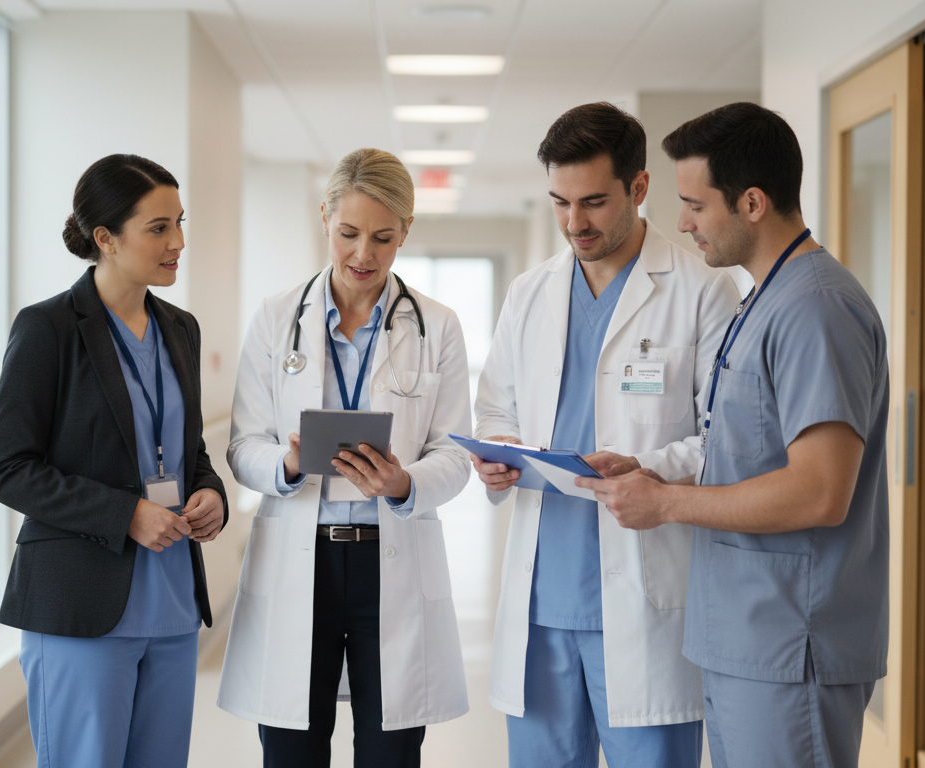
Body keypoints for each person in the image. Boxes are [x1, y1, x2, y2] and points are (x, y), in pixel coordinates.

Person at [576, 102, 889, 768]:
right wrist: (654, 472)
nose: (683, 221)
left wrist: (667, 504)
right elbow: (749, 451)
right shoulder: (762, 301)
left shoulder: (816, 308)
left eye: (695, 204)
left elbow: (820, 491)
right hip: (743, 638)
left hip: (790, 641)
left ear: (751, 203)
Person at [472, 102, 740, 768]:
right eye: (560, 203)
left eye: (593, 202)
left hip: (644, 595)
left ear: (639, 187)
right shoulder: (528, 293)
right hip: (542, 601)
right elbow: (497, 411)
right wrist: (496, 456)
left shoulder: (703, 292)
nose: (574, 223)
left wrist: (644, 467)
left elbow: (726, 440)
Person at [218, 148, 471, 768]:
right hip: (302, 558)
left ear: (405, 231)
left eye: (383, 238)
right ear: (325, 216)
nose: (364, 254)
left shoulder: (437, 326)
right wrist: (286, 465)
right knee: (291, 751)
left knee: (390, 752)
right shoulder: (276, 319)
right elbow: (244, 446)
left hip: (391, 557)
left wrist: (405, 482)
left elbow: (455, 454)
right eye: (349, 233)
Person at [0, 154, 228, 768]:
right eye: (158, 228)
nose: (177, 242)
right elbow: (6, 467)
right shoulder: (48, 328)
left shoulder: (181, 329)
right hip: (81, 608)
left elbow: (185, 448)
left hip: (172, 605)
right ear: (106, 238)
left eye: (179, 223)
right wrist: (126, 514)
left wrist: (210, 492)